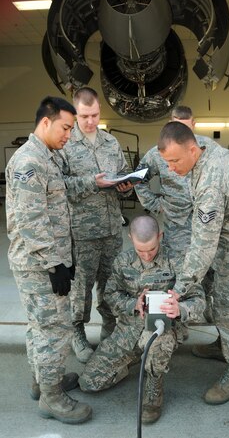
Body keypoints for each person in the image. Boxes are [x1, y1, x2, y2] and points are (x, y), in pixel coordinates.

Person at [157, 121, 229, 405]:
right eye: (167, 162)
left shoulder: (212, 182)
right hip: (220, 244)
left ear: (193, 150)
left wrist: (179, 289)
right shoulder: (199, 147)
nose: (171, 169)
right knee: (216, 301)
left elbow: (203, 244)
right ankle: (222, 345)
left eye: (175, 161)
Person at [5, 96, 92, 424]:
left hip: (45, 259)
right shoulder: (30, 161)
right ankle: (52, 398)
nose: (70, 134)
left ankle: (42, 381)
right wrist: (55, 265)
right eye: (66, 127)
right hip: (40, 264)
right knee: (53, 329)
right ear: (46, 122)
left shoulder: (47, 156)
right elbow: (31, 222)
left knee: (39, 327)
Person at [78, 215, 205, 423]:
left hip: (164, 329)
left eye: (152, 249)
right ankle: (133, 359)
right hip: (128, 331)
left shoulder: (177, 261)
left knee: (156, 344)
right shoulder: (122, 261)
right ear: (130, 238)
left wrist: (180, 308)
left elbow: (199, 299)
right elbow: (110, 294)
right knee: (89, 383)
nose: (147, 256)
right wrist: (132, 304)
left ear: (160, 237)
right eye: (140, 250)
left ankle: (154, 388)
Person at [56, 87, 133, 363]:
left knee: (111, 284)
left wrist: (125, 186)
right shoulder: (65, 144)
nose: (91, 121)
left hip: (112, 229)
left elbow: (123, 176)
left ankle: (109, 330)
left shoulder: (111, 142)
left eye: (95, 115)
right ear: (75, 114)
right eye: (85, 116)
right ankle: (77, 332)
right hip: (82, 233)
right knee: (81, 288)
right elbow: (59, 186)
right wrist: (92, 182)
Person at [135, 105, 216, 325]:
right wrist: (153, 203)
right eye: (175, 125)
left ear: (193, 125)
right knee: (180, 270)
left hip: (205, 221)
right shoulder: (157, 154)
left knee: (209, 268)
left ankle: (204, 305)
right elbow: (138, 177)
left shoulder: (204, 148)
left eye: (184, 127)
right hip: (176, 224)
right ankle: (182, 313)